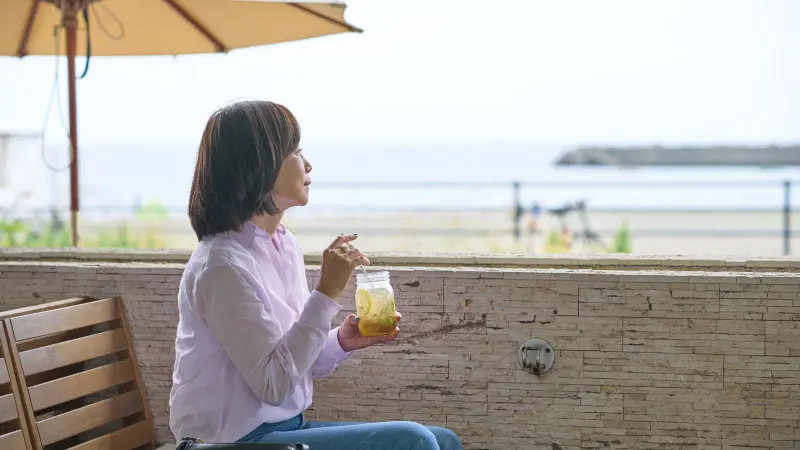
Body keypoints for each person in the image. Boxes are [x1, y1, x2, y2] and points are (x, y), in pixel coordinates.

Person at [169, 100, 462, 450]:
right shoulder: (222, 267)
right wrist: (325, 293)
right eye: (294, 151)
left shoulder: (283, 245)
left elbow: (293, 363)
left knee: (443, 440)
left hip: (283, 430)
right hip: (227, 443)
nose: (307, 164)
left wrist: (341, 341)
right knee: (414, 442)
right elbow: (273, 384)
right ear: (259, 165)